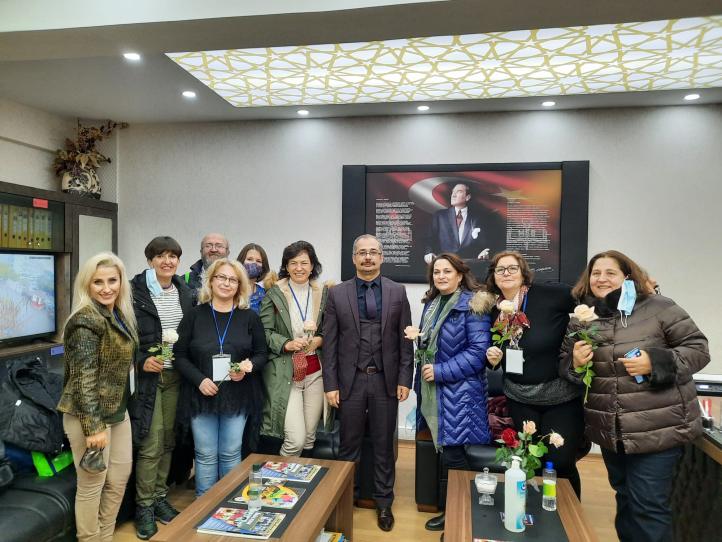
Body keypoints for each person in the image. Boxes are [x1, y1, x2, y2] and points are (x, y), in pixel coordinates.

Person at [561, 250, 709, 542]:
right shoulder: (583, 318)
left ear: (627, 277)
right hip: (611, 433)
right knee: (626, 500)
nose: (602, 279)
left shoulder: (658, 307)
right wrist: (574, 363)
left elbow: (698, 349)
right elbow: (567, 365)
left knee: (648, 509)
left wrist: (655, 362)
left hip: (658, 429)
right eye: (596, 273)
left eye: (610, 273)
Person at [322, 234, 413, 532]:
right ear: (354, 258)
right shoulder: (337, 294)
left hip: (386, 381)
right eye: (362, 252)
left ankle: (384, 503)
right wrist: (330, 384)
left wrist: (405, 378)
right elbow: (330, 344)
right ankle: (343, 499)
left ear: (382, 257)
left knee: (384, 445)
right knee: (348, 445)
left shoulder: (397, 292)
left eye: (373, 252)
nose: (368, 257)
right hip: (350, 382)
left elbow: (405, 341)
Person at [483, 250, 585, 497]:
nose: (506, 273)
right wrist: (493, 360)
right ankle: (539, 513)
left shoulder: (550, 294)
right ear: (493, 276)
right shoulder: (493, 309)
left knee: (560, 461)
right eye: (500, 269)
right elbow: (498, 350)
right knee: (531, 461)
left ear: (524, 273)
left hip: (559, 398)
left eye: (512, 268)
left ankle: (569, 514)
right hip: (519, 398)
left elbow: (589, 301)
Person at [57, 252, 138, 542]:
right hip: (89, 417)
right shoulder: (85, 321)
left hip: (117, 411)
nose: (106, 288)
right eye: (98, 282)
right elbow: (83, 380)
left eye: (112, 281)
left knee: (118, 480)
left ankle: (105, 537)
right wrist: (93, 428)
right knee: (92, 485)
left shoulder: (118, 313)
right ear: (87, 285)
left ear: (121, 282)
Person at [174, 258, 267, 496]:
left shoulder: (250, 317)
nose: (226, 283)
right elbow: (179, 356)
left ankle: (229, 504)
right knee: (205, 455)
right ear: (211, 281)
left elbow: (261, 354)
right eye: (221, 277)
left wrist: (247, 368)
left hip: (238, 395)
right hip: (201, 396)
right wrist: (199, 380)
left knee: (230, 453)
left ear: (240, 285)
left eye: (233, 280)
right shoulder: (194, 316)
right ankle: (203, 505)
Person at [416, 253, 495, 534]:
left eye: (447, 271)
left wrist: (440, 371)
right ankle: (454, 510)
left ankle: (458, 514)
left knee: (454, 455)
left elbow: (478, 353)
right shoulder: (432, 304)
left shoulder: (473, 304)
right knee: (447, 453)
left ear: (460, 275)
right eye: (436, 272)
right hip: (435, 392)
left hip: (461, 393)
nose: (440, 276)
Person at [128, 236, 192, 539]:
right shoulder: (133, 291)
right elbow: (123, 335)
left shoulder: (184, 291)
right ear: (150, 260)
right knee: (151, 443)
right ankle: (143, 507)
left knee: (168, 440)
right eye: (161, 256)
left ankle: (158, 498)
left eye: (173, 256)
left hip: (175, 376)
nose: (167, 262)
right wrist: (141, 360)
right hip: (148, 380)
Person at [259, 241, 329, 456]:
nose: (299, 268)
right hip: (287, 372)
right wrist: (286, 343)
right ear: (286, 266)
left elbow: (331, 329)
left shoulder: (322, 293)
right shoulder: (274, 293)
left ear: (312, 265)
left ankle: (301, 477)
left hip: (315, 372)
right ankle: (278, 477)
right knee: (295, 441)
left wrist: (319, 340)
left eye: (304, 263)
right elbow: (264, 332)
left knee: (308, 439)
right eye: (293, 263)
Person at [424, 183, 490, 264]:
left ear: (467, 197)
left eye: (459, 191)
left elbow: (485, 242)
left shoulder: (478, 217)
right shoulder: (440, 216)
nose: (453, 195)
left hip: (470, 263)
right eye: (453, 192)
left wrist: (485, 252)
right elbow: (430, 239)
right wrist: (429, 252)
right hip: (445, 262)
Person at [184, 233, 230, 304]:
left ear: (228, 252)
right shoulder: (185, 280)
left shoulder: (238, 280)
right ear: (201, 252)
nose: (213, 250)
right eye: (208, 246)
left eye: (219, 246)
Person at [236, 242, 272, 314]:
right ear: (241, 261)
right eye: (249, 259)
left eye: (258, 261)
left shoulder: (265, 294)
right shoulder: (231, 289)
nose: (254, 263)